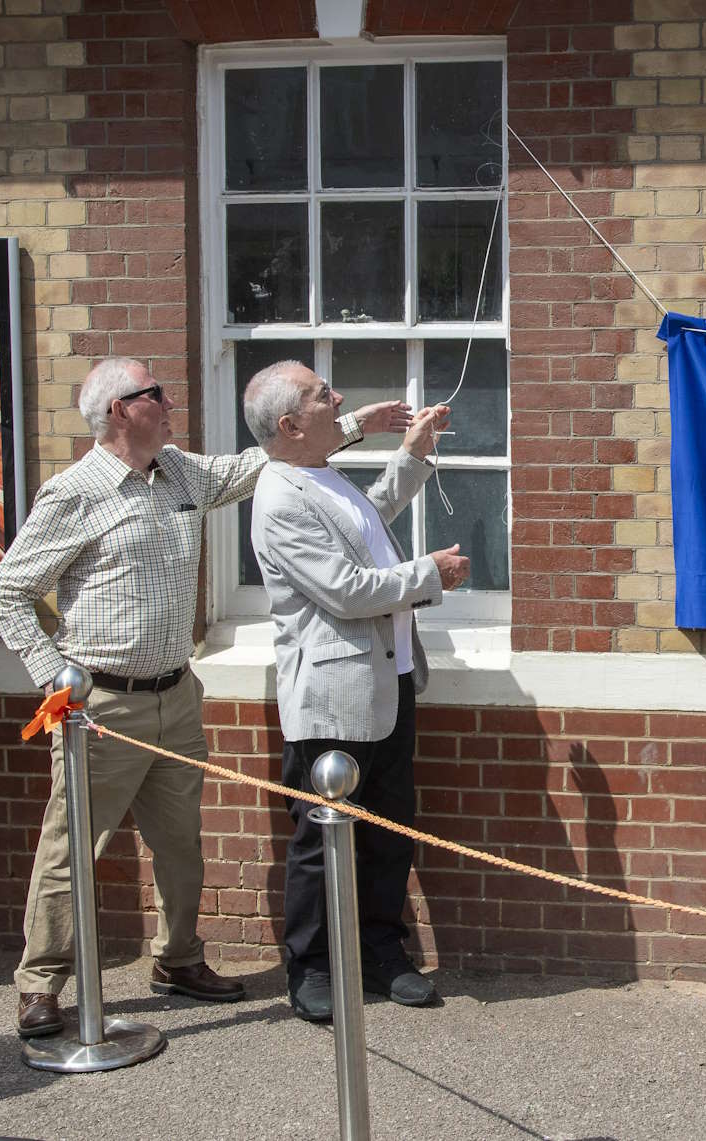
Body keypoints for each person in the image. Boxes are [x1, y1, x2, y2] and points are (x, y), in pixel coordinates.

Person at [0, 356, 412, 1038]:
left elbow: (259, 461)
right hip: (102, 704)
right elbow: (6, 591)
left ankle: (178, 959)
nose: (168, 399)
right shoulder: (75, 493)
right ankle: (41, 983)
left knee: (181, 846)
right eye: (152, 393)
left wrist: (357, 423)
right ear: (118, 411)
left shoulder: (179, 470)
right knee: (72, 852)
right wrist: (52, 679)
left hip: (176, 694)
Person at [243, 360, 469, 1020]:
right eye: (322, 396)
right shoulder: (281, 495)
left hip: (389, 680)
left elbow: (369, 523)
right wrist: (433, 573)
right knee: (320, 839)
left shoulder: (321, 476)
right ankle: (310, 967)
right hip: (333, 698)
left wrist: (411, 455)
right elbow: (347, 591)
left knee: (388, 830)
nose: (338, 399)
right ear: (288, 424)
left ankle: (381, 952)